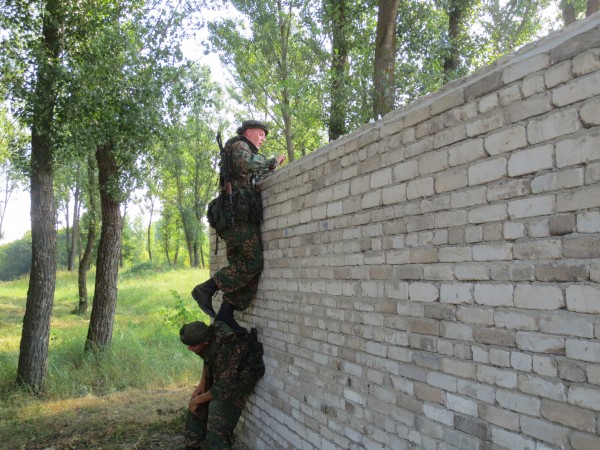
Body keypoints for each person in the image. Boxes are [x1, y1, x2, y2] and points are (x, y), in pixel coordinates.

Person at [193, 120, 286, 332]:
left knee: (245, 269)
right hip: (237, 216)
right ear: (249, 132)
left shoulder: (243, 149)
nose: (263, 139)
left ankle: (225, 314)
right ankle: (206, 289)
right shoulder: (239, 146)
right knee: (252, 263)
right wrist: (272, 161)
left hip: (238, 216)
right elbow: (247, 164)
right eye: (261, 134)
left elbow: (251, 174)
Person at [180, 320, 265, 450]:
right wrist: (202, 384)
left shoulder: (226, 349)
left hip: (242, 377)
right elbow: (207, 359)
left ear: (205, 342)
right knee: (198, 400)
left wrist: (197, 401)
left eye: (192, 345)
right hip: (225, 375)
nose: (189, 348)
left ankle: (216, 445)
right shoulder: (208, 336)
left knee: (217, 413)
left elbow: (223, 387)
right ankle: (193, 444)